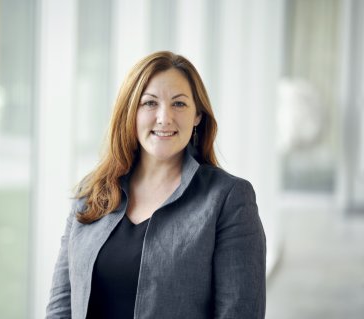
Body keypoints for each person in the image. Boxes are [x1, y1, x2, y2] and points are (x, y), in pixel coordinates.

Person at [46, 51, 266, 319]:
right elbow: (61, 305)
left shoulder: (228, 199)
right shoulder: (93, 191)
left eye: (179, 104)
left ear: (198, 115)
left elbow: (239, 312)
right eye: (150, 103)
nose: (164, 118)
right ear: (131, 112)